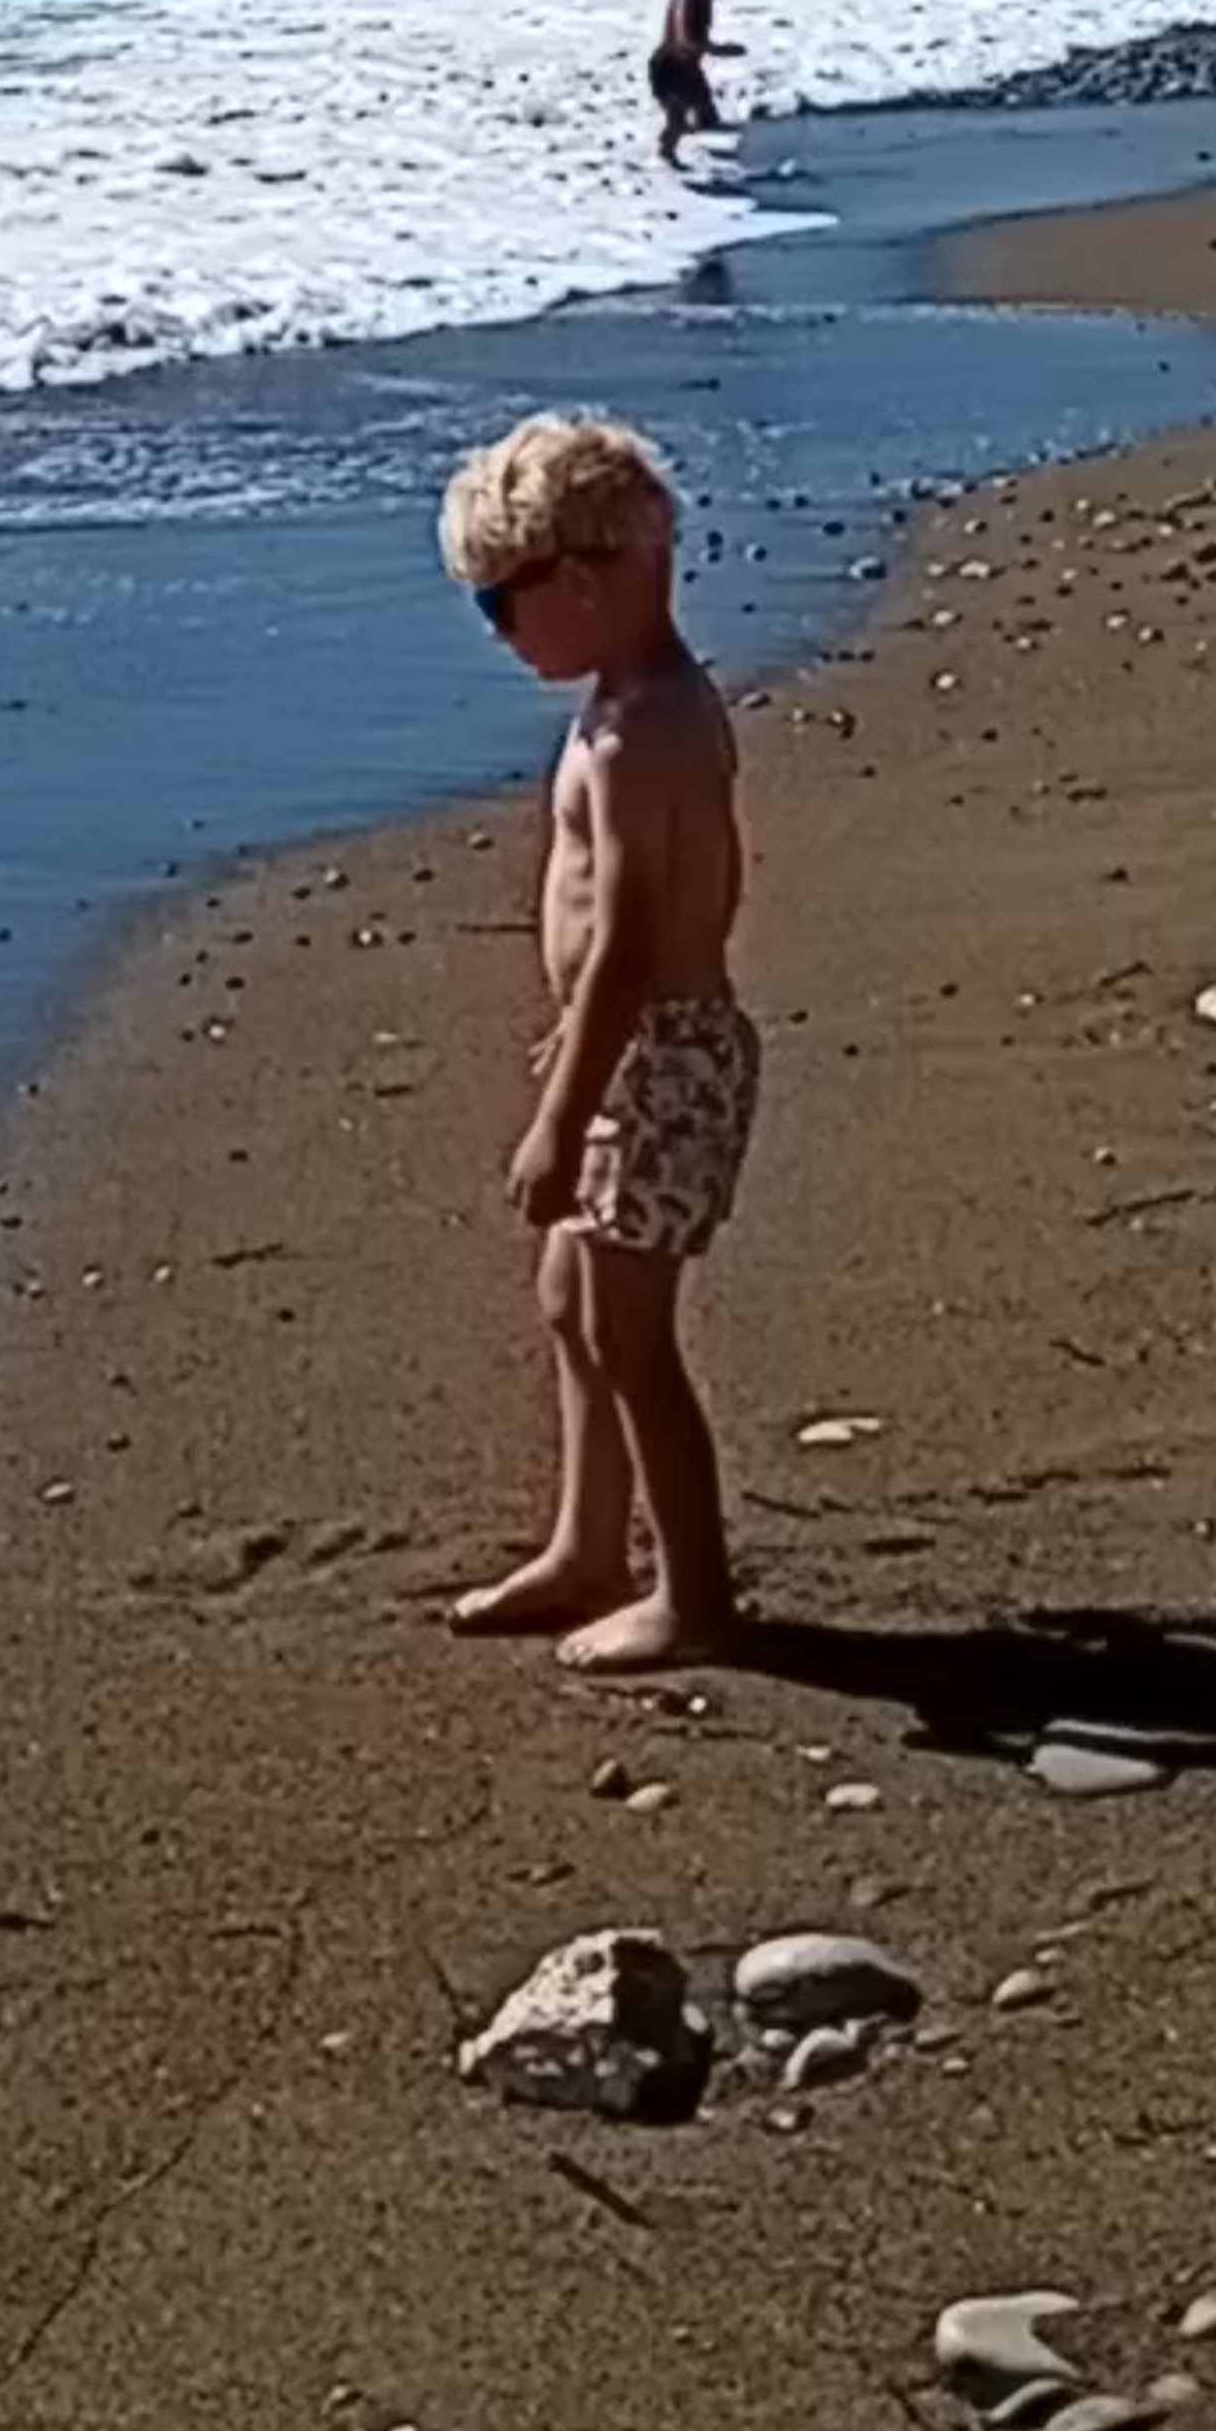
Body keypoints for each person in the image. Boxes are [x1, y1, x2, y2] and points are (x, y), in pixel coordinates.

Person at [437, 413, 753, 1670]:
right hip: (627, 1048)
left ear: (581, 579)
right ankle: (586, 1543)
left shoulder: (644, 733)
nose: (500, 633)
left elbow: (628, 940)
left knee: (632, 1330)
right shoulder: (627, 699)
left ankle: (696, 1593)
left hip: (661, 1061)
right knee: (569, 1300)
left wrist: (563, 1116)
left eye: (499, 604)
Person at [645, 0, 740, 167]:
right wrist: (717, 49)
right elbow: (684, 40)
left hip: (689, 67)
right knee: (676, 119)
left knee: (706, 111)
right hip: (668, 69)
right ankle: (666, 154)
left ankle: (702, 133)